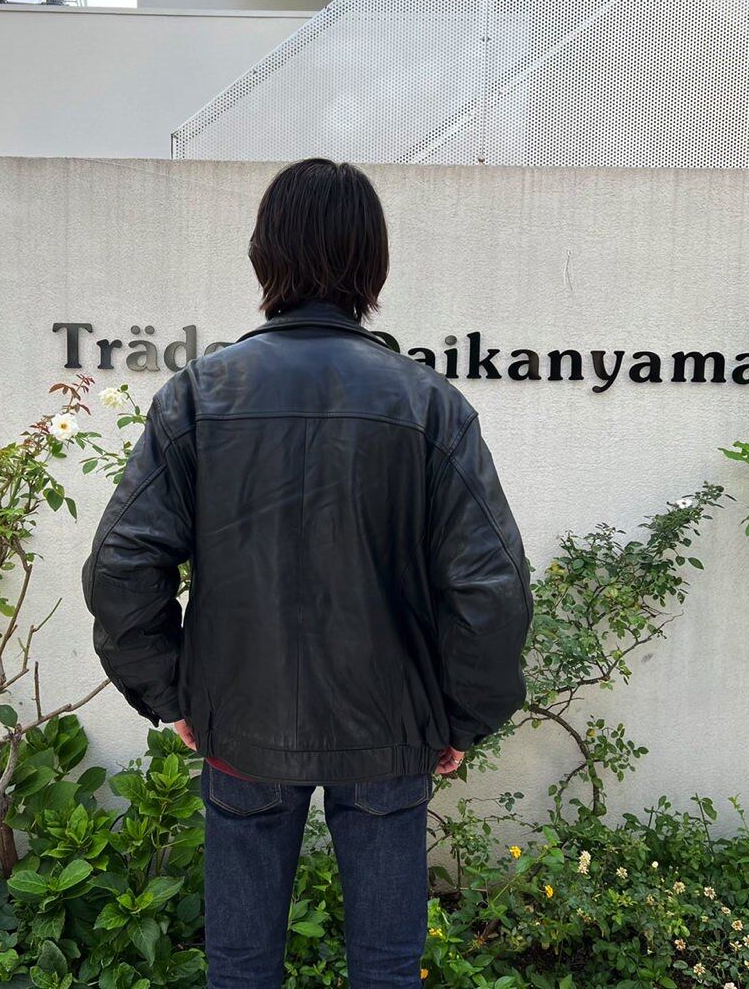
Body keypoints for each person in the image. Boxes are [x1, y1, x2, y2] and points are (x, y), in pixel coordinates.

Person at [81, 158, 533, 989]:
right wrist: (463, 717)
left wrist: (173, 694)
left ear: (265, 255)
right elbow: (489, 587)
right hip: (392, 726)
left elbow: (123, 563)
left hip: (242, 721)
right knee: (386, 966)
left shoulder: (199, 396)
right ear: (373, 262)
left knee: (242, 963)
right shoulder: (427, 402)